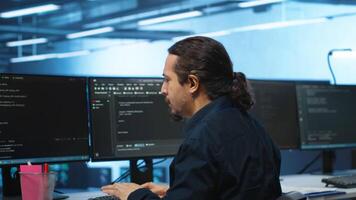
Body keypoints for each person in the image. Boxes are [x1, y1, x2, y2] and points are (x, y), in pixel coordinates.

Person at [101, 36, 282, 200]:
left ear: (193, 83)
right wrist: (178, 191)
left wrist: (135, 195)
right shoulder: (254, 127)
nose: (162, 89)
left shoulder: (201, 140)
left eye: (167, 80)